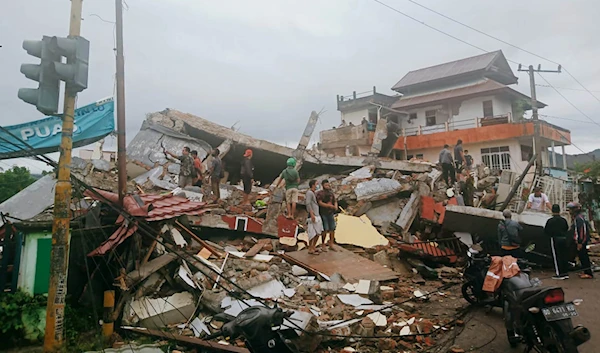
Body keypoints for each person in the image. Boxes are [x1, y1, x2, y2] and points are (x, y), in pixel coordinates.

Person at [567, 202, 593, 279]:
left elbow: (581, 231)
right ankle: (585, 271)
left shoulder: (579, 219)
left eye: (571, 210)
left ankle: (588, 273)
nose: (570, 212)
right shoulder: (578, 218)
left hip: (581, 241)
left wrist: (580, 242)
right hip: (580, 241)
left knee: (583, 256)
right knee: (581, 257)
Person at [544, 204, 570, 280]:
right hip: (564, 239)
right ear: (559, 210)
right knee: (564, 256)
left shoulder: (550, 221)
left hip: (555, 239)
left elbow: (546, 231)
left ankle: (559, 273)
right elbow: (566, 229)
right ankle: (565, 273)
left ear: (552, 211)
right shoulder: (563, 220)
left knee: (557, 257)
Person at [317, 179, 338, 252]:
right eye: (326, 185)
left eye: (328, 185)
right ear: (323, 185)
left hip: (330, 213)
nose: (328, 186)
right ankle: (323, 244)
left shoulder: (331, 193)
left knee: (332, 228)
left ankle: (331, 244)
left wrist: (335, 206)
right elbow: (319, 202)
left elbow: (335, 201)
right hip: (323, 213)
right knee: (325, 229)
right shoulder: (320, 193)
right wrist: (328, 206)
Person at [305, 180, 323, 255]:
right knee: (312, 232)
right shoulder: (309, 193)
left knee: (318, 232)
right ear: (313, 185)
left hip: (317, 214)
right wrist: (312, 214)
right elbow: (308, 204)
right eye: (316, 184)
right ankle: (310, 248)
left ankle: (313, 246)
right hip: (313, 215)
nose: (317, 185)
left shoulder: (313, 193)